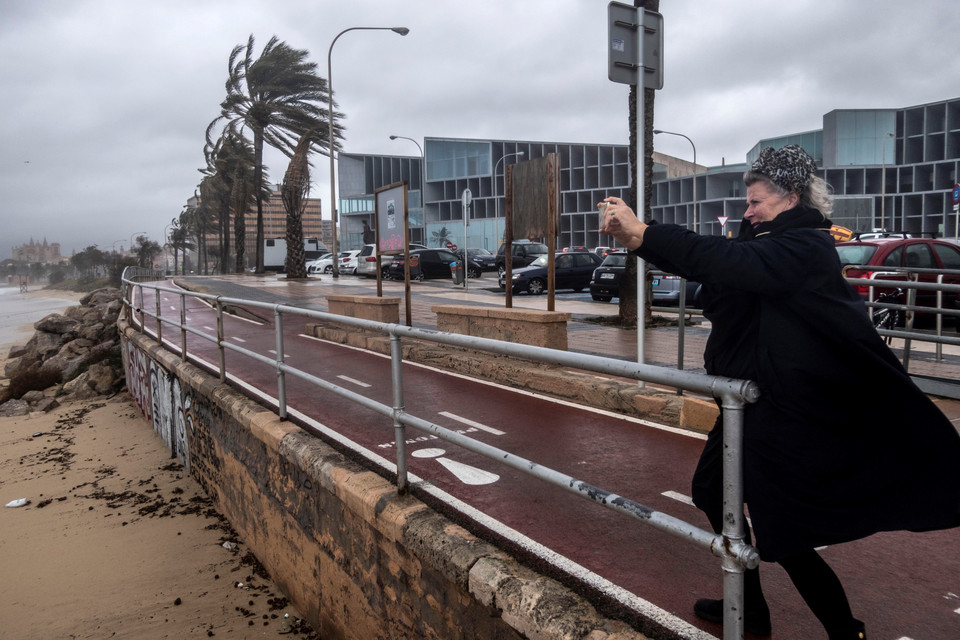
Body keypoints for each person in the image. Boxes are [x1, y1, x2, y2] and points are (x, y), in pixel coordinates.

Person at [599, 144, 960, 640]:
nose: (746, 211)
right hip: (748, 401)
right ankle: (748, 605)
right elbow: (715, 264)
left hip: (789, 409)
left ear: (790, 198)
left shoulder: (804, 247)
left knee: (782, 527)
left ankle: (843, 628)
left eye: (756, 202)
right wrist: (638, 240)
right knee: (711, 491)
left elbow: (723, 260)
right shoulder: (765, 240)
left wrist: (644, 232)